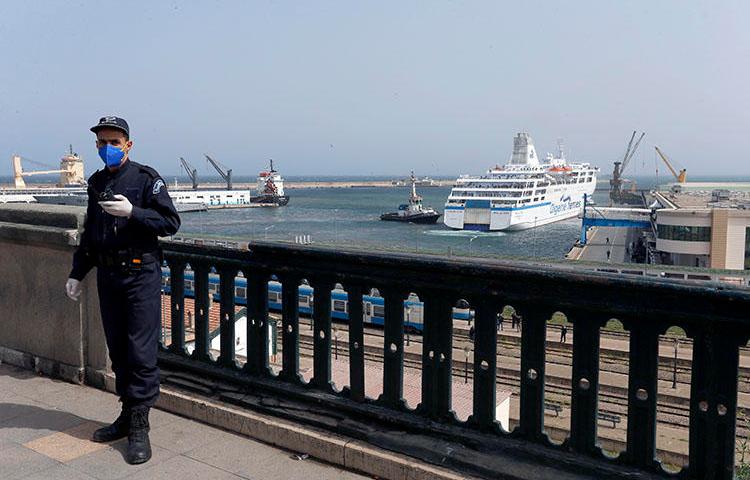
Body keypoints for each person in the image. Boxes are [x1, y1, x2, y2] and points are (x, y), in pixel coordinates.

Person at [64, 116, 180, 465]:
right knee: (118, 350)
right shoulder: (97, 181)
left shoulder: (146, 179)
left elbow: (170, 223)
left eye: (114, 142)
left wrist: (134, 212)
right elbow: (92, 231)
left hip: (140, 274)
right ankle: (127, 414)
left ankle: (141, 425)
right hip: (108, 276)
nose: (108, 148)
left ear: (128, 144)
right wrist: (77, 272)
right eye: (102, 143)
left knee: (140, 351)